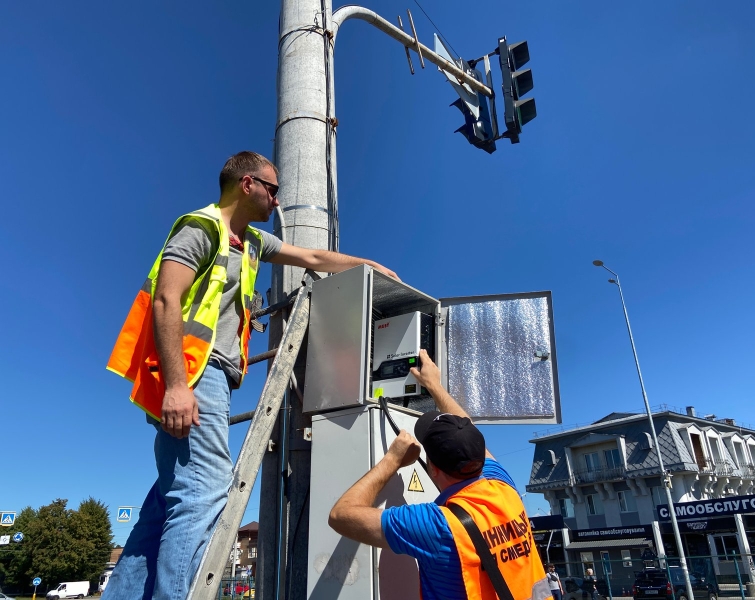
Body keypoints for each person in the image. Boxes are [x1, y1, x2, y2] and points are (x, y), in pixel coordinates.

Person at [104, 151, 398, 600]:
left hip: (205, 376)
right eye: (273, 189)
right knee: (204, 491)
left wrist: (367, 266)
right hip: (195, 373)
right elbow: (166, 301)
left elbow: (312, 255)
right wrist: (179, 386)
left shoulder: (254, 243)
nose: (277, 201)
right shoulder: (201, 228)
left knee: (170, 497)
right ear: (248, 184)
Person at [328, 349, 551, 600]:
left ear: (432, 468)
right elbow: (468, 427)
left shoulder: (437, 525)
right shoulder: (502, 486)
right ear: (478, 456)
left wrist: (392, 460)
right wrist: (434, 385)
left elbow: (340, 516)